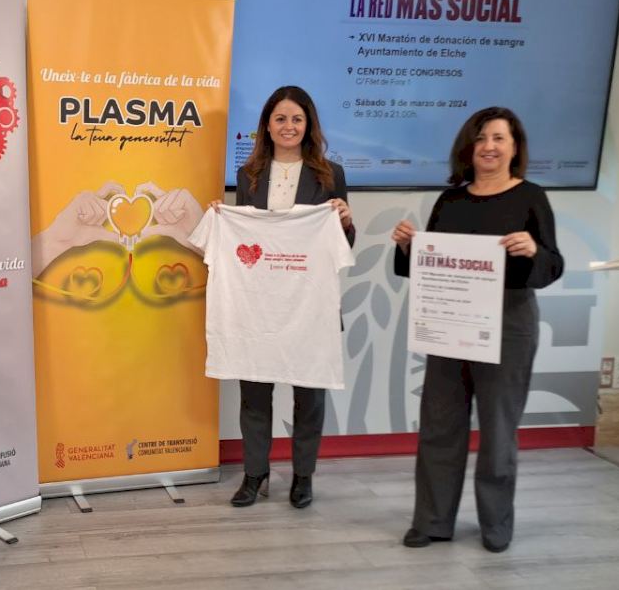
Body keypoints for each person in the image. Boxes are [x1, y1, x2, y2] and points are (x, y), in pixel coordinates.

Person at [390, 106, 564, 553]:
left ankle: (496, 524)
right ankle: (431, 521)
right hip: (450, 326)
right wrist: (409, 247)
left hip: (509, 325)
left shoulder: (531, 197)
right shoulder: (450, 201)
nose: (489, 146)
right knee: (439, 425)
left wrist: (533, 250)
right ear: (468, 148)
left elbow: (553, 264)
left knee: (498, 431)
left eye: (499, 138)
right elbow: (428, 267)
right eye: (481, 138)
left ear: (514, 148)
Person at [223, 85, 355, 509]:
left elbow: (340, 247)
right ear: (267, 125)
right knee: (254, 392)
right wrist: (224, 222)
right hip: (259, 304)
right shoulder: (249, 175)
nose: (288, 126)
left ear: (308, 125)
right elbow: (243, 239)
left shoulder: (330, 174)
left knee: (309, 396)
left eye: (297, 119)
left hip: (309, 304)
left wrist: (346, 222)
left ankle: (303, 475)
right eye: (280, 118)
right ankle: (254, 474)